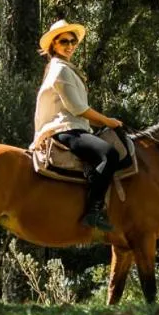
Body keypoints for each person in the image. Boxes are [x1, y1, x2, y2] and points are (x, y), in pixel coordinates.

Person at [30, 19, 124, 233]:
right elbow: (78, 109)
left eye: (73, 41)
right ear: (53, 45)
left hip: (74, 127)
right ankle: (94, 210)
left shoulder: (64, 69)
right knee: (110, 155)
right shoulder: (60, 71)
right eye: (64, 41)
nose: (70, 45)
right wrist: (109, 122)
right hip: (65, 130)